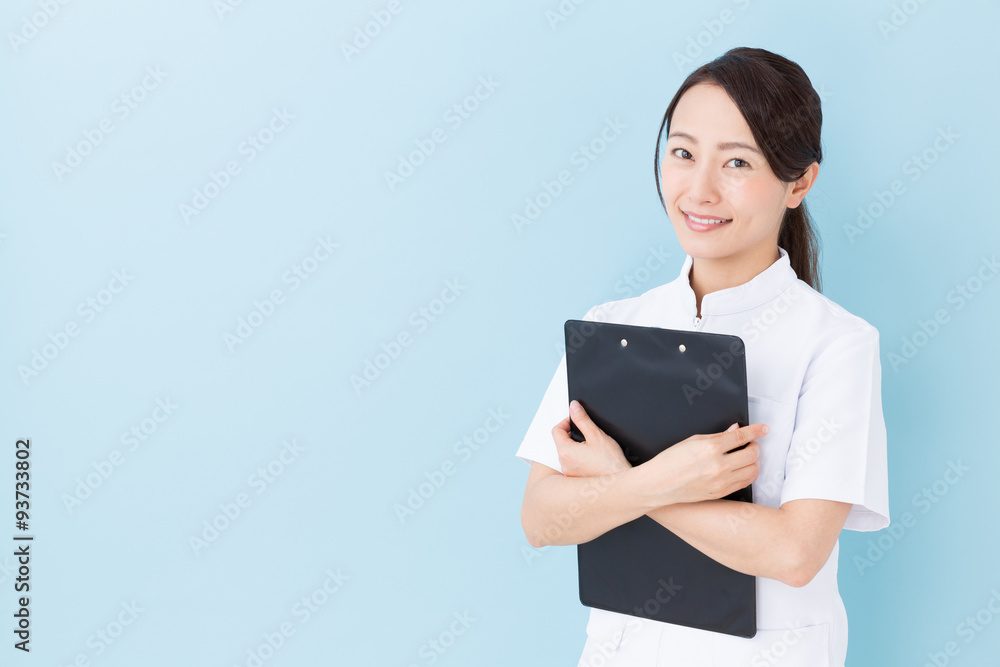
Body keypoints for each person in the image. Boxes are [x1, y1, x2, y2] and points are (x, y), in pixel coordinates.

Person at [515, 47, 890, 666]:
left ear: (799, 182)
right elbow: (541, 519)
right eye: (683, 153)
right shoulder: (612, 327)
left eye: (738, 162)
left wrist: (621, 484)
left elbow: (795, 553)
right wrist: (664, 479)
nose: (699, 190)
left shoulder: (836, 344)